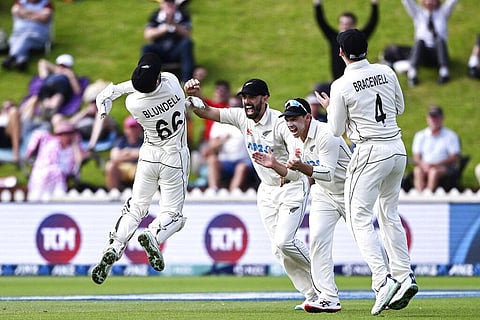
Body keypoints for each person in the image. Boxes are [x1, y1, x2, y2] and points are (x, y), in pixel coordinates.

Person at [185, 78, 317, 311]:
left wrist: (278, 165)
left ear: (265, 98)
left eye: (252, 97)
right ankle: (312, 295)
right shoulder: (240, 117)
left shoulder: (279, 123)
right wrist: (194, 94)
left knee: (285, 242)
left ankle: (324, 282)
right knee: (279, 250)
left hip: (291, 187)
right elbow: (205, 112)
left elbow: (298, 160)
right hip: (266, 191)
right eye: (244, 97)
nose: (247, 102)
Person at [316, 29, 417, 315]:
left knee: (358, 218)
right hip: (396, 147)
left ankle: (382, 281)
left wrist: (330, 107)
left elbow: (335, 130)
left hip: (370, 151)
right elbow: (399, 106)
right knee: (389, 214)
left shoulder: (341, 85)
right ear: (366, 48)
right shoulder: (386, 71)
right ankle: (403, 275)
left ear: (341, 54)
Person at [91, 53, 190, 285]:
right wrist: (113, 90)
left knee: (135, 207)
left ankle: (114, 246)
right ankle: (154, 234)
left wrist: (109, 93)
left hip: (148, 156)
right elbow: (153, 79)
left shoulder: (133, 103)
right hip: (174, 156)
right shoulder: (173, 84)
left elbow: (136, 86)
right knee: (174, 215)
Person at [252, 98, 351, 313]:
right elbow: (295, 173)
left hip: (351, 191)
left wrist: (302, 167)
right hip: (324, 194)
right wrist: (276, 166)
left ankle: (386, 283)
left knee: (364, 238)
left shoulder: (326, 134)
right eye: (287, 119)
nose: (290, 124)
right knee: (317, 242)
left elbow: (327, 172)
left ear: (308, 117)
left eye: (295, 119)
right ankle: (328, 297)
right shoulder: (295, 142)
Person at [313, 0, 379, 81]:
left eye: (348, 24)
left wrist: (374, 4)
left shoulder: (358, 38)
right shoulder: (333, 37)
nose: (345, 26)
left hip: (357, 79)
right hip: (338, 79)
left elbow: (372, 22)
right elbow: (321, 21)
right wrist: (317, 4)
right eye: (343, 23)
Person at [24, 120, 86, 201]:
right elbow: (45, 162)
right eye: (62, 133)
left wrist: (75, 144)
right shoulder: (51, 144)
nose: (65, 136)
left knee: (58, 175)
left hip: (62, 175)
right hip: (45, 173)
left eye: (68, 133)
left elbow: (79, 160)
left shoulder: (73, 148)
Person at [401, 0, 459, 86]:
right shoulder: (418, 13)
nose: (430, 2)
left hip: (438, 54)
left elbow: (452, 2)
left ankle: (444, 72)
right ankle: (412, 74)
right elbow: (407, 2)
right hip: (423, 55)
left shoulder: (443, 12)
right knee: (420, 41)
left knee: (440, 40)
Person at [141, 0, 194, 84]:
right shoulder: (156, 16)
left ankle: (187, 81)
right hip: (160, 50)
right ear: (162, 4)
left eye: (171, 3)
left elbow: (187, 34)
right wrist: (164, 28)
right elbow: (148, 35)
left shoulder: (183, 15)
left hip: (176, 50)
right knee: (146, 48)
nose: (169, 5)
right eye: (167, 3)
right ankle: (145, 79)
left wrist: (173, 24)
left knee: (187, 44)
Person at [412, 105, 460, 192]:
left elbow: (454, 157)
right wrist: (424, 165)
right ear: (427, 118)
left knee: (433, 172)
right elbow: (416, 157)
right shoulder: (420, 135)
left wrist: (437, 164)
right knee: (417, 170)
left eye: (436, 117)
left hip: (443, 167)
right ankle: (419, 195)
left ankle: (429, 196)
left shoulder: (450, 135)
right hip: (424, 166)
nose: (434, 120)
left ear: (442, 118)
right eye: (431, 117)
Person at [21, 54, 82, 123]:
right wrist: (58, 70)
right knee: (45, 101)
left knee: (56, 100)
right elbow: (42, 63)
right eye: (60, 65)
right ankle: (36, 118)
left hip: (61, 89)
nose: (61, 68)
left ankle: (46, 118)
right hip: (47, 87)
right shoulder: (50, 75)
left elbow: (78, 92)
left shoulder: (70, 76)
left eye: (64, 66)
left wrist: (70, 75)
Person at [1, 0, 54, 72]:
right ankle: (21, 61)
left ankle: (12, 57)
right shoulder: (20, 2)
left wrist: (25, 13)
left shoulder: (46, 4)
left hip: (38, 37)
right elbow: (15, 11)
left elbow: (44, 18)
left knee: (25, 37)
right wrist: (36, 14)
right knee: (17, 39)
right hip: (17, 35)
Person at [105, 115, 143, 191]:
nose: (132, 130)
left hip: (136, 167)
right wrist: (134, 154)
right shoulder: (120, 140)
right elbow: (114, 158)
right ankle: (113, 192)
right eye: (130, 128)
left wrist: (127, 152)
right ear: (125, 129)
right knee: (110, 166)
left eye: (135, 127)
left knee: (144, 168)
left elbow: (146, 155)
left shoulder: (144, 141)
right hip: (123, 168)